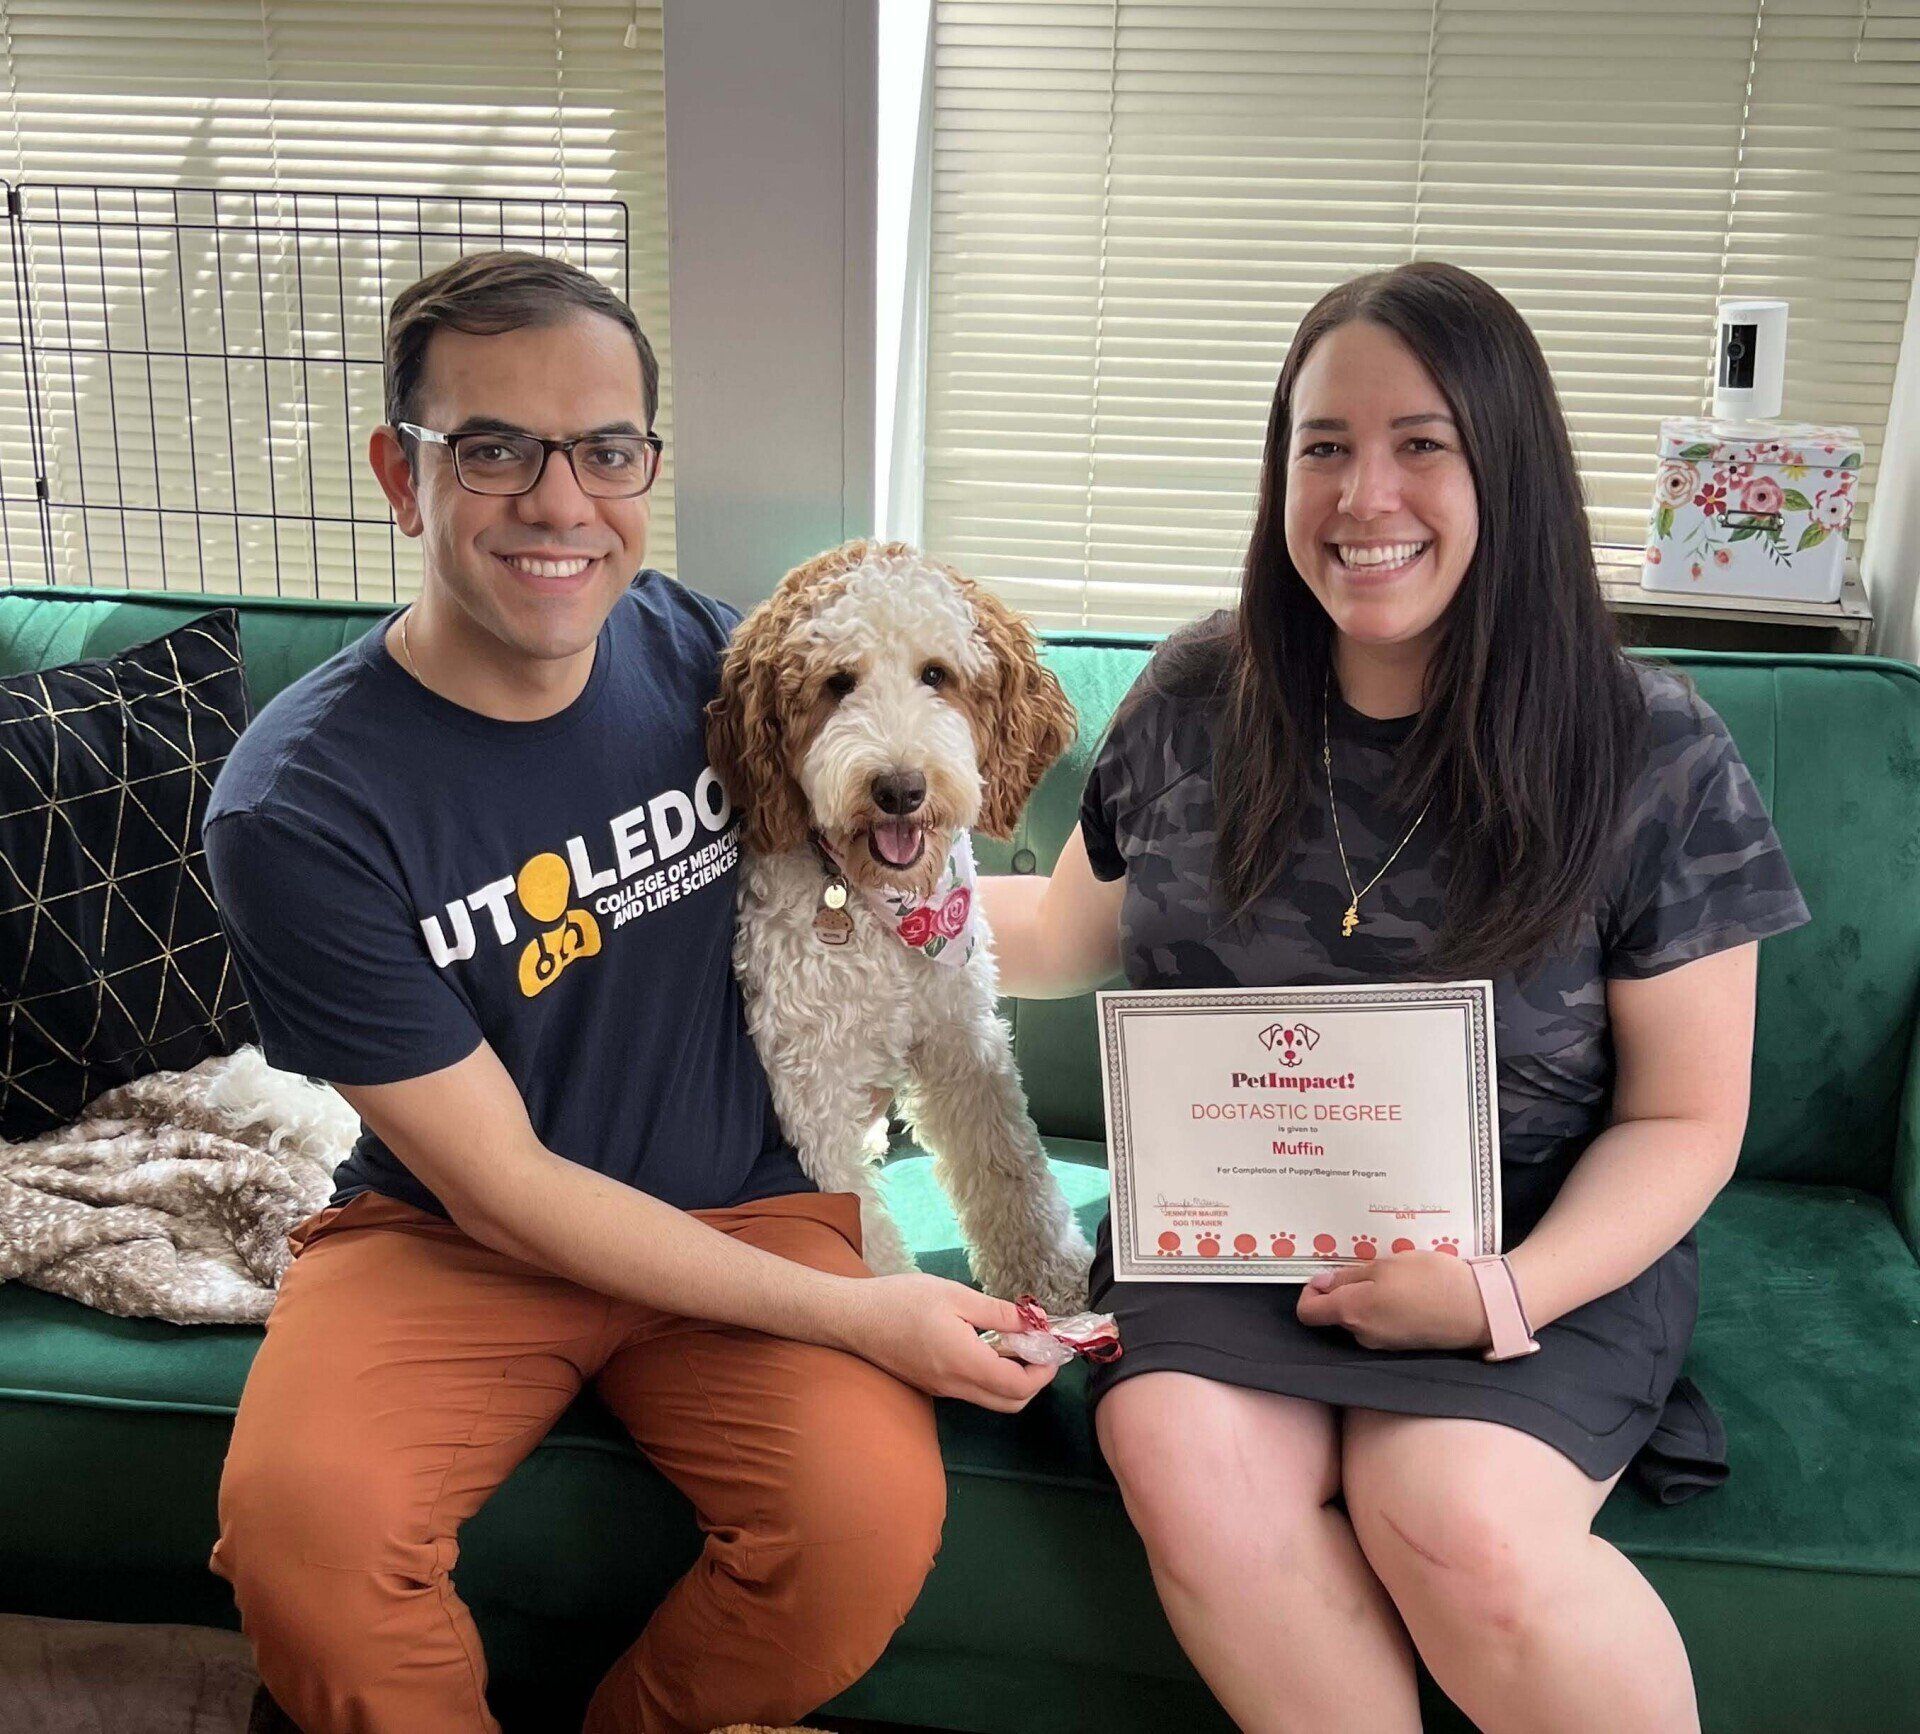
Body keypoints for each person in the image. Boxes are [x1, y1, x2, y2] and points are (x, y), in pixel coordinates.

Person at [202, 251, 1056, 1734]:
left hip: (745, 1196)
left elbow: (905, 883)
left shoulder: (704, 662)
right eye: (494, 449)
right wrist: (868, 1311)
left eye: (605, 450)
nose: (558, 502)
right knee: (307, 1547)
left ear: (645, 467)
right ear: (402, 476)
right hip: (456, 1234)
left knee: (857, 1530)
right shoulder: (299, 805)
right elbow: (508, 1189)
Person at [981, 260, 1810, 1734]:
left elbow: (1689, 1114)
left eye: (1422, 444)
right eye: (1324, 446)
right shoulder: (1192, 699)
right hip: (1233, 1221)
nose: (1365, 496)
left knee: (1453, 1512)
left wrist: (1499, 1294)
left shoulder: (1652, 750)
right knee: (1173, 1442)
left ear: (1510, 464)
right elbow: (1058, 932)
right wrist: (843, 899)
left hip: (1534, 1238)